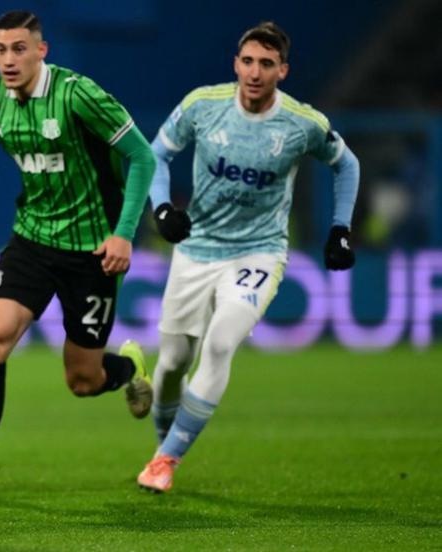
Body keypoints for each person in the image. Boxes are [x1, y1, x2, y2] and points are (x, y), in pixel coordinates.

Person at [0, 10, 156, 500]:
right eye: (0, 50)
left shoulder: (78, 95)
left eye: (19, 49)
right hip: (32, 241)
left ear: (42, 50)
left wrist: (124, 234)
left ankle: (128, 369)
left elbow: (142, 156)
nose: (8, 60)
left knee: (82, 380)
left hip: (93, 250)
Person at [136, 21, 360, 493]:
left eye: (266, 64)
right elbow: (155, 155)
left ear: (283, 71)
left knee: (220, 344)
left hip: (258, 253)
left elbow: (347, 164)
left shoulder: (302, 123)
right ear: (236, 64)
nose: (255, 72)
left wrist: (341, 228)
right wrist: (162, 209)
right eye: (248, 61)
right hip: (196, 250)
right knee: (173, 363)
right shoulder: (203, 106)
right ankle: (163, 449)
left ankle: (166, 459)